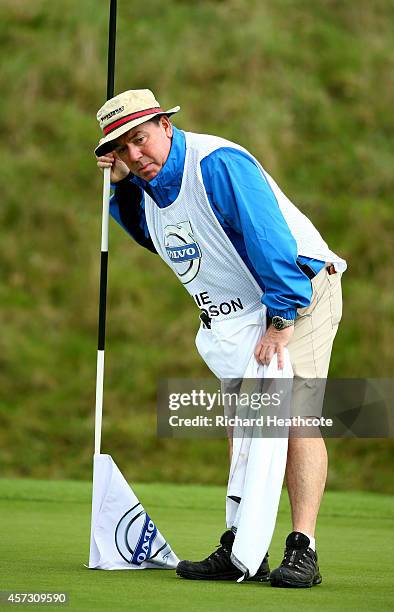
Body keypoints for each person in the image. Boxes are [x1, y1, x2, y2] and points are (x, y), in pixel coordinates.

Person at [95, 89, 346, 588]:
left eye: (140, 140)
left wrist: (281, 319)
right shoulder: (142, 186)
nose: (135, 155)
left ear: (165, 125)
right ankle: (242, 547)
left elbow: (269, 239)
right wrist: (121, 188)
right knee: (243, 423)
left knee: (294, 414)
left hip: (298, 290)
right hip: (241, 312)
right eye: (121, 149)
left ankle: (303, 548)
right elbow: (155, 238)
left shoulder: (217, 164)